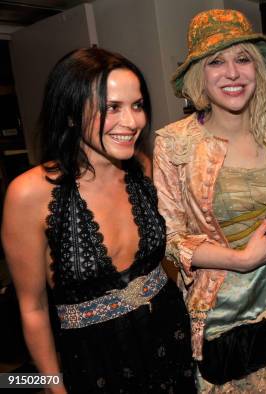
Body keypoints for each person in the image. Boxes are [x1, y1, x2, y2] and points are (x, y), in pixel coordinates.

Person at [153, 9, 266, 393]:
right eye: (216, 62)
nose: (233, 73)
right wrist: (243, 259)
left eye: (243, 59)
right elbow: (169, 239)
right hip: (224, 310)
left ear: (258, 68)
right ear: (198, 75)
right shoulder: (174, 143)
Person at [1, 48, 195, 393]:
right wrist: (51, 386)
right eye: (112, 108)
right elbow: (32, 306)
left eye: (137, 105)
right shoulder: (28, 194)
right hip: (93, 362)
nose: (133, 121)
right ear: (72, 114)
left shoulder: (143, 168)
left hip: (169, 336)